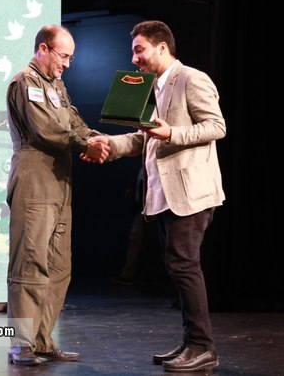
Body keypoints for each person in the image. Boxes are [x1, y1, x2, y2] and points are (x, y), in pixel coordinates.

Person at [87, 20, 225, 373]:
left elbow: (216, 126)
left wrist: (171, 133)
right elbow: (143, 138)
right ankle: (191, 341)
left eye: (139, 50)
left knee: (184, 265)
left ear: (162, 47)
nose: (134, 59)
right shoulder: (153, 87)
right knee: (177, 267)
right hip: (162, 192)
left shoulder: (191, 78)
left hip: (190, 192)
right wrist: (109, 144)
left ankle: (202, 346)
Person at [5, 24, 110, 366]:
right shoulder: (27, 82)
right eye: (63, 56)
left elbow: (74, 124)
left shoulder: (57, 86)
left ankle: (42, 340)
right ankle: (21, 344)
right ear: (43, 49)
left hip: (59, 180)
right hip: (35, 179)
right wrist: (85, 145)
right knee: (30, 262)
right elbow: (47, 130)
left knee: (58, 265)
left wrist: (99, 140)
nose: (66, 64)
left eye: (70, 58)